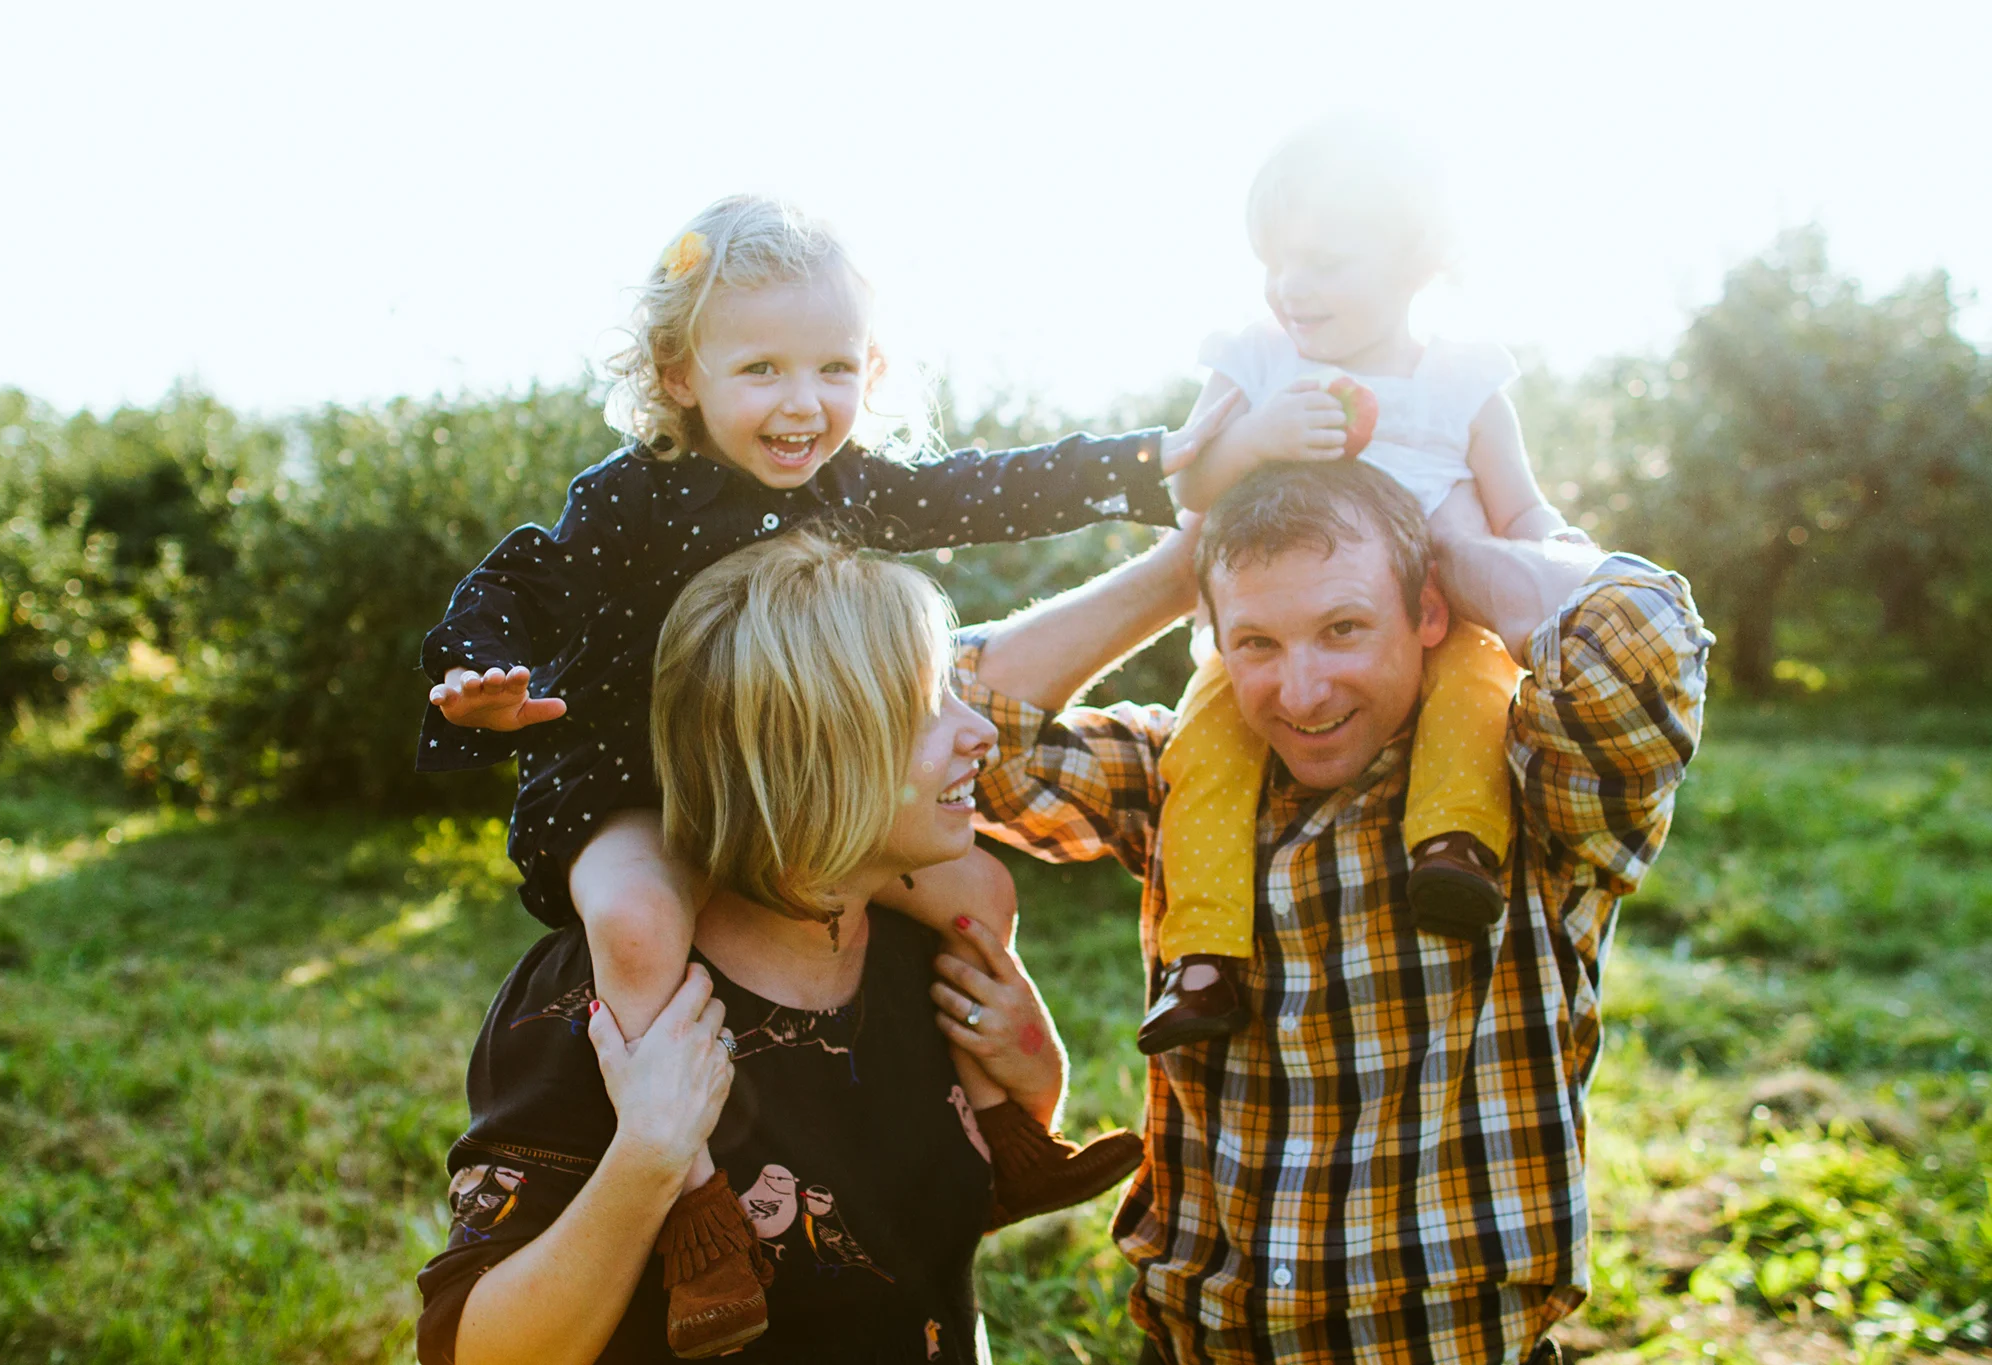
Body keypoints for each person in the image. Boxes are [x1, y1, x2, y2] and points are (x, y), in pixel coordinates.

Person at [413, 196, 1234, 1336]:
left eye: (834, 368)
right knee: (642, 925)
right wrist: (480, 675)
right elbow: (519, 590)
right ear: (679, 373)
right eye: (760, 368)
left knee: (980, 889)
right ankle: (700, 1212)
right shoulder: (627, 501)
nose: (803, 404)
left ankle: (1016, 1141)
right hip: (624, 788)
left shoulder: (848, 489)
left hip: (786, 802)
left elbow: (985, 490)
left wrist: (1152, 467)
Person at [956, 460, 1712, 1362]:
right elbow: (960, 723)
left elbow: (1643, 638)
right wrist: (1180, 565)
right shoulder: (1183, 781)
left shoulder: (1538, 780)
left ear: (1428, 613)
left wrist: (1456, 550)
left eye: (1343, 627)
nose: (1302, 692)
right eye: (1259, 644)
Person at [418, 532, 1131, 1363]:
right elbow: (476, 1351)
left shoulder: (916, 951)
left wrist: (1037, 1087)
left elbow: (896, 1237)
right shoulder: (606, 1006)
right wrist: (648, 1154)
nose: (979, 733)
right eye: (930, 704)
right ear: (814, 747)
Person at [1141, 115, 1578, 1054]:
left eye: (1322, 263)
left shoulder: (1463, 378)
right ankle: (1206, 953)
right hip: (1276, 625)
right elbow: (1186, 479)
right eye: (1274, 263)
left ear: (1419, 261)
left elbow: (1524, 513)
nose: (1290, 288)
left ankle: (1455, 850)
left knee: (1478, 692)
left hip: (1439, 622)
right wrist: (1255, 440)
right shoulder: (1259, 359)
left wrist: (1569, 569)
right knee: (1207, 748)